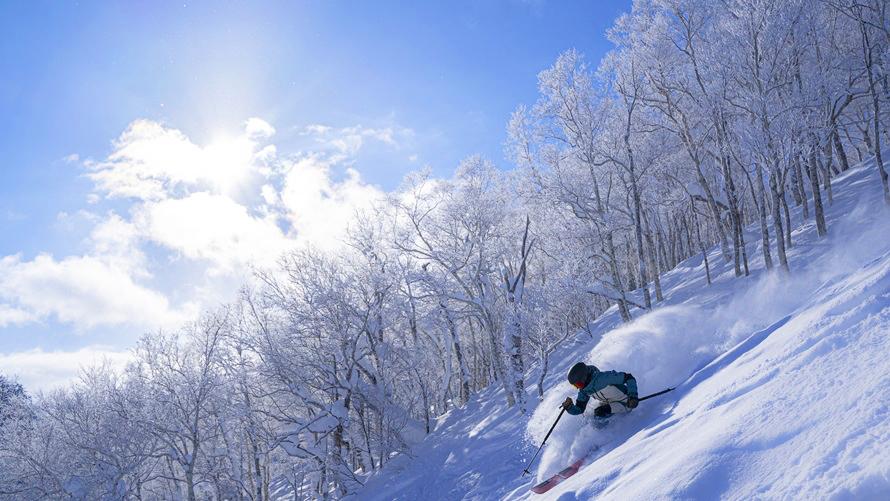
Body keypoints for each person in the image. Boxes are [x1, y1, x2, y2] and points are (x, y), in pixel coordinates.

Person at [562, 361, 638, 418]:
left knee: (599, 412)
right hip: (610, 403)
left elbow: (629, 378)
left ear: (584, 377)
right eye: (575, 386)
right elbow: (580, 409)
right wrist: (569, 407)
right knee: (592, 417)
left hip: (626, 402)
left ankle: (616, 435)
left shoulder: (604, 378)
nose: (578, 387)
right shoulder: (584, 390)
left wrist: (633, 396)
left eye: (578, 384)